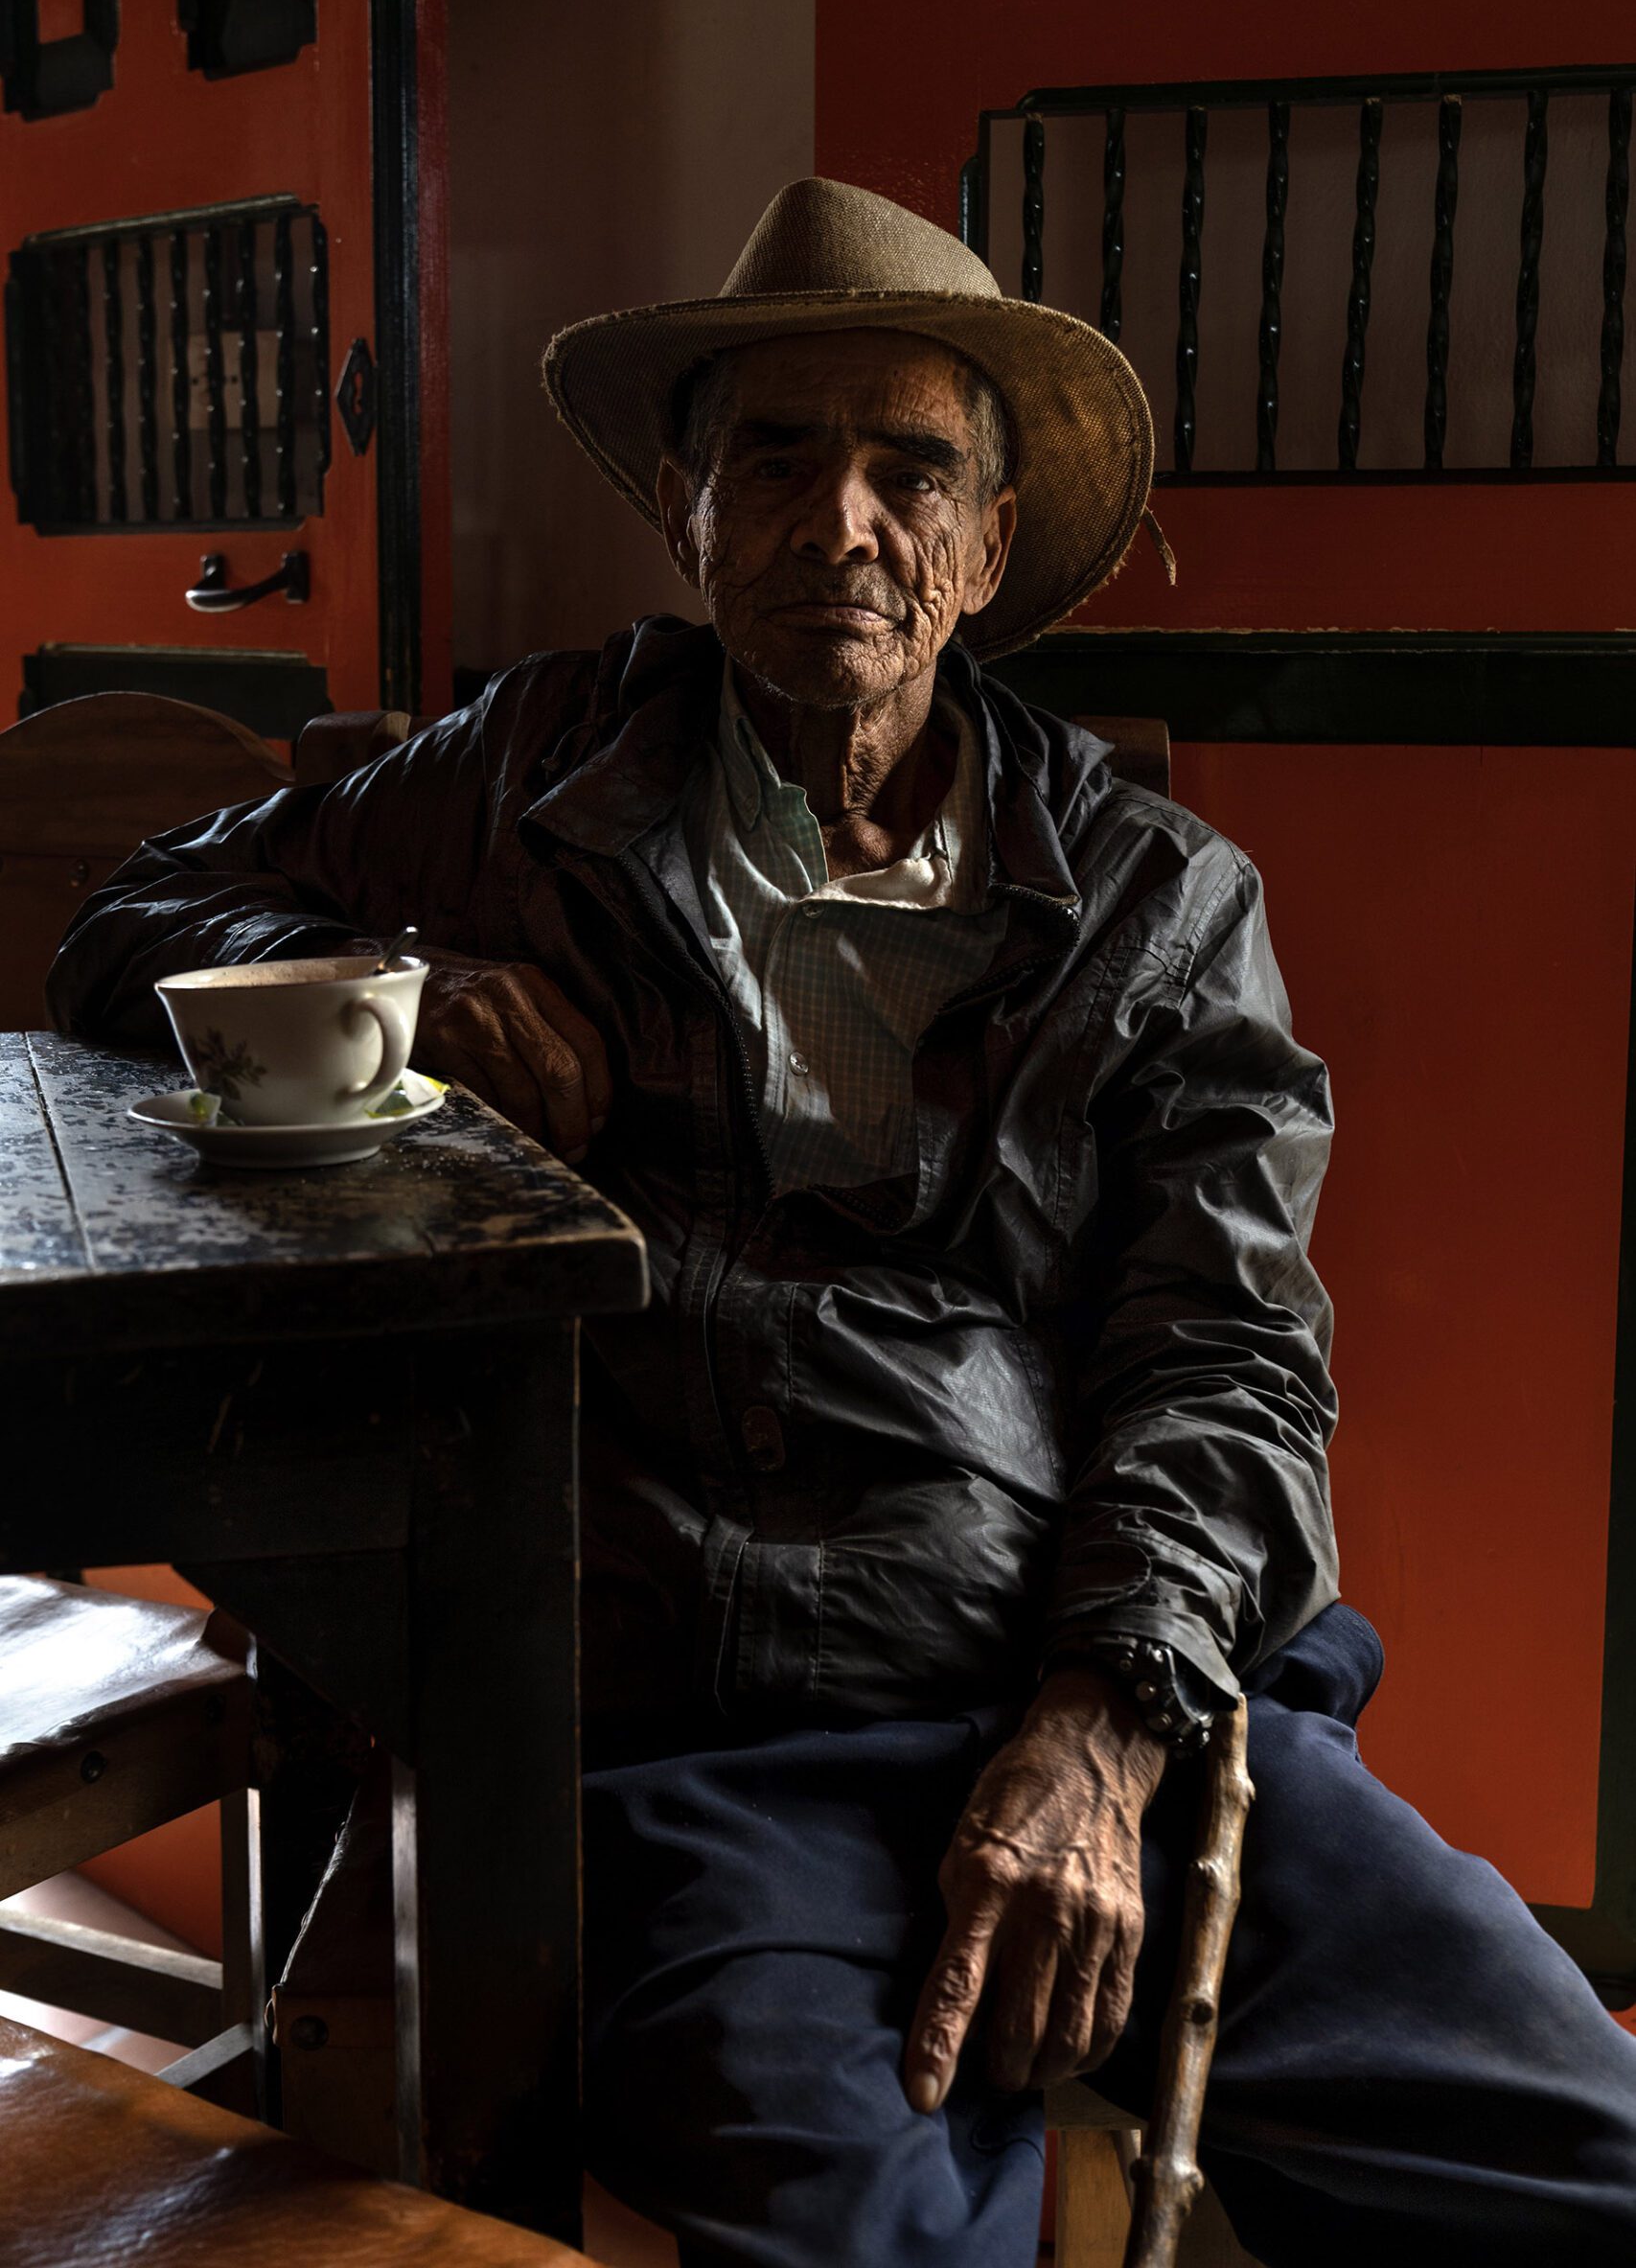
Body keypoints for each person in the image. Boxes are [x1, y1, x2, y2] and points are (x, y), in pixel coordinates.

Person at [50, 179, 1636, 2266]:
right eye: (773, 459)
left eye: (910, 470)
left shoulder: (1156, 902)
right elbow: (132, 920)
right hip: (692, 1752)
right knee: (860, 2237)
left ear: (984, 548)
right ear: (690, 515)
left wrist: (1096, 1725)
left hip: (1109, 1693)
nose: (839, 520)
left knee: (1582, 2165)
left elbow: (1227, 1352)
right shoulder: (532, 769)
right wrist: (413, 1003)